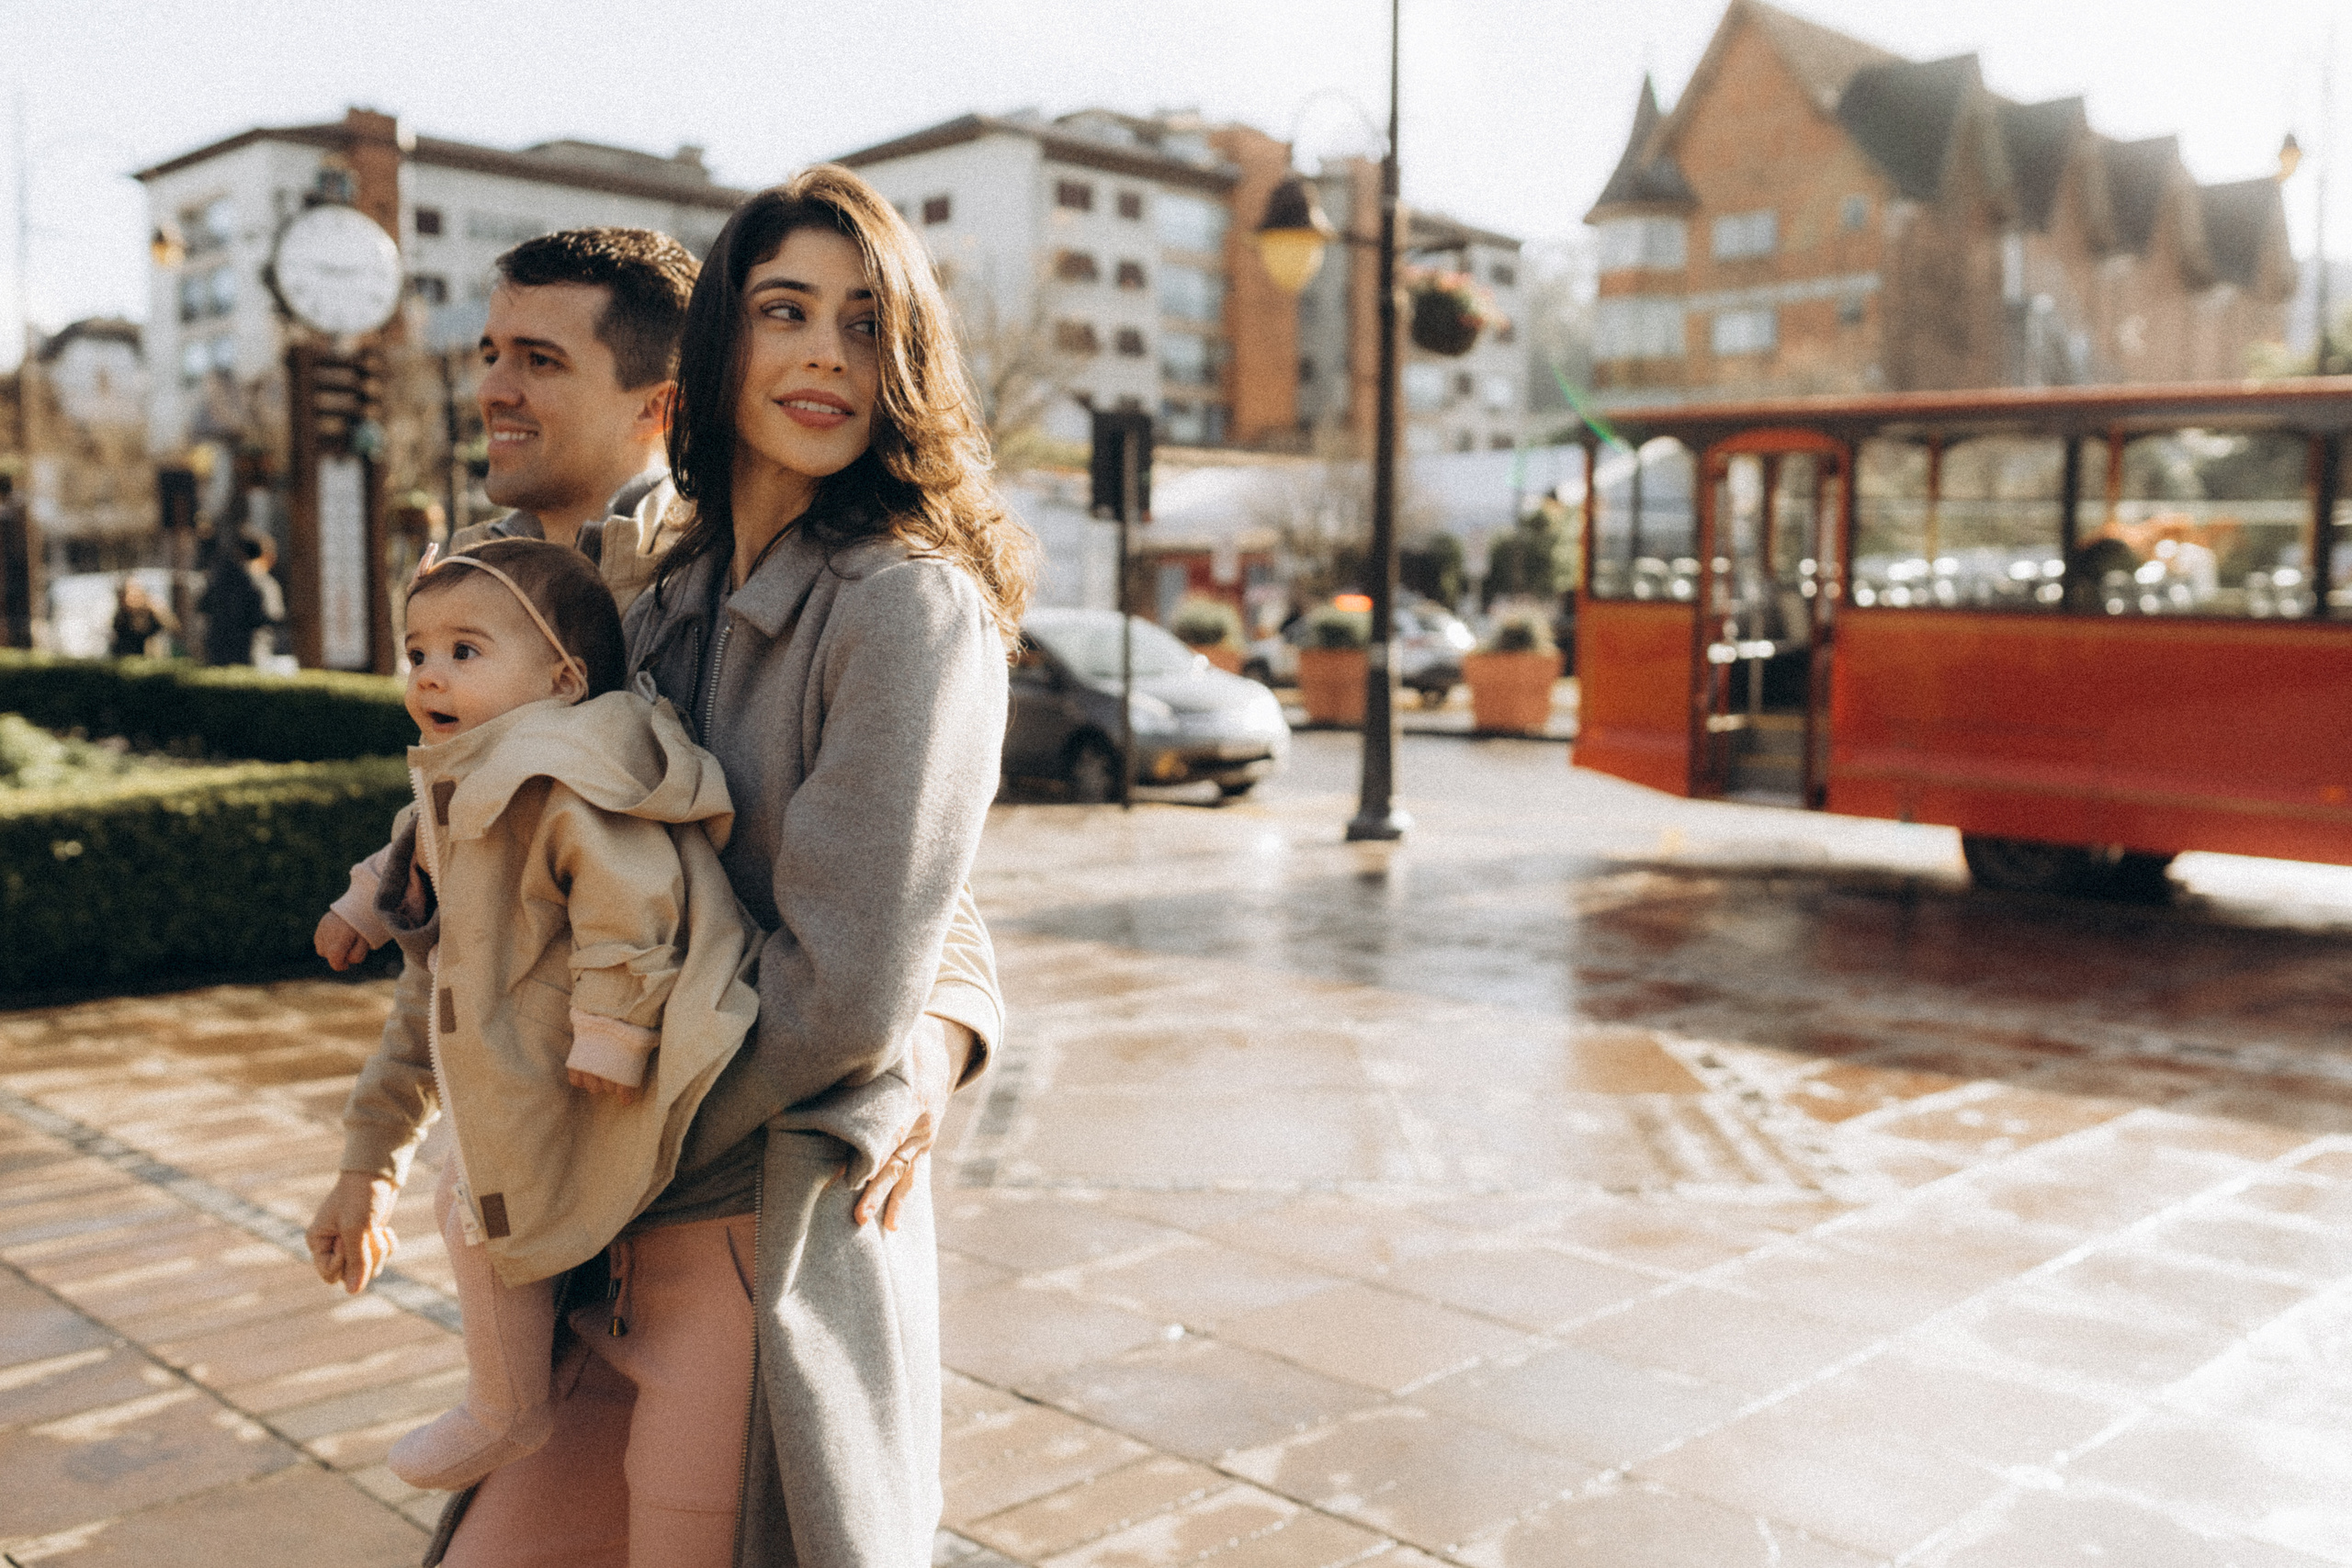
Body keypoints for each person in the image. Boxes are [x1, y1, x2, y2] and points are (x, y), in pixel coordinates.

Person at [418, 164, 1030, 1567]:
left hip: (755, 1241)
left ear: (906, 362)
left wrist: (924, 1037)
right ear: (721, 347)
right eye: (785, 311)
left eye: (866, 324)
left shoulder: (907, 608)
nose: (825, 353)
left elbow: (845, 984)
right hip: (597, 1259)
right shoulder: (657, 591)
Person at [329, 537, 772, 1495]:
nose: (429, 674)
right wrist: (369, 902)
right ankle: (507, 1393)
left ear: (562, 676)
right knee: (469, 1204)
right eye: (416, 652)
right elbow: (423, 842)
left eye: (464, 651)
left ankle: (508, 1406)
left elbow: (634, 904)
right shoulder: (488, 760)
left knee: (482, 1214)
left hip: (565, 1059)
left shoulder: (565, 774)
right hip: (511, 1055)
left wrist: (615, 1034)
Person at [453, 228, 702, 614]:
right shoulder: (463, 582)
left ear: (656, 409)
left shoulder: (715, 595)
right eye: (492, 358)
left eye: (540, 360)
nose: (490, 392)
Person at [197, 531, 266, 665]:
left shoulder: (219, 577)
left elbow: (203, 606)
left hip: (218, 649)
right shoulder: (258, 581)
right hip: (247, 651)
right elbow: (268, 616)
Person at [108, 581, 175, 658]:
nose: (130, 600)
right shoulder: (122, 616)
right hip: (128, 657)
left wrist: (159, 610)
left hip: (153, 657)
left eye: (135, 595)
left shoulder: (152, 610)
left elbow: (173, 627)